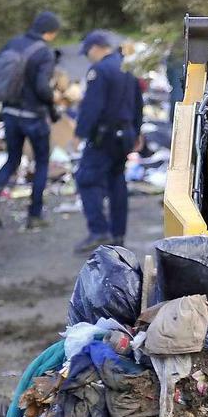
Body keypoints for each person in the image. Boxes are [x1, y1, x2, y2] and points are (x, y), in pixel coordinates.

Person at [0, 11, 61, 229]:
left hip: (10, 113)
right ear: (51, 32)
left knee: (13, 158)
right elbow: (43, 88)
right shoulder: (44, 52)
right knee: (42, 162)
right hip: (33, 116)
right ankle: (34, 216)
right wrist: (52, 105)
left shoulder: (13, 43)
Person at [73, 30, 144, 253]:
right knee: (116, 181)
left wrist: (80, 132)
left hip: (103, 137)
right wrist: (137, 132)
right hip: (124, 136)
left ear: (95, 48)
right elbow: (137, 103)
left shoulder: (100, 70)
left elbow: (92, 107)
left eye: (87, 53)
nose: (88, 57)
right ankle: (118, 234)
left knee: (87, 180)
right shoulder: (127, 67)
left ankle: (99, 231)